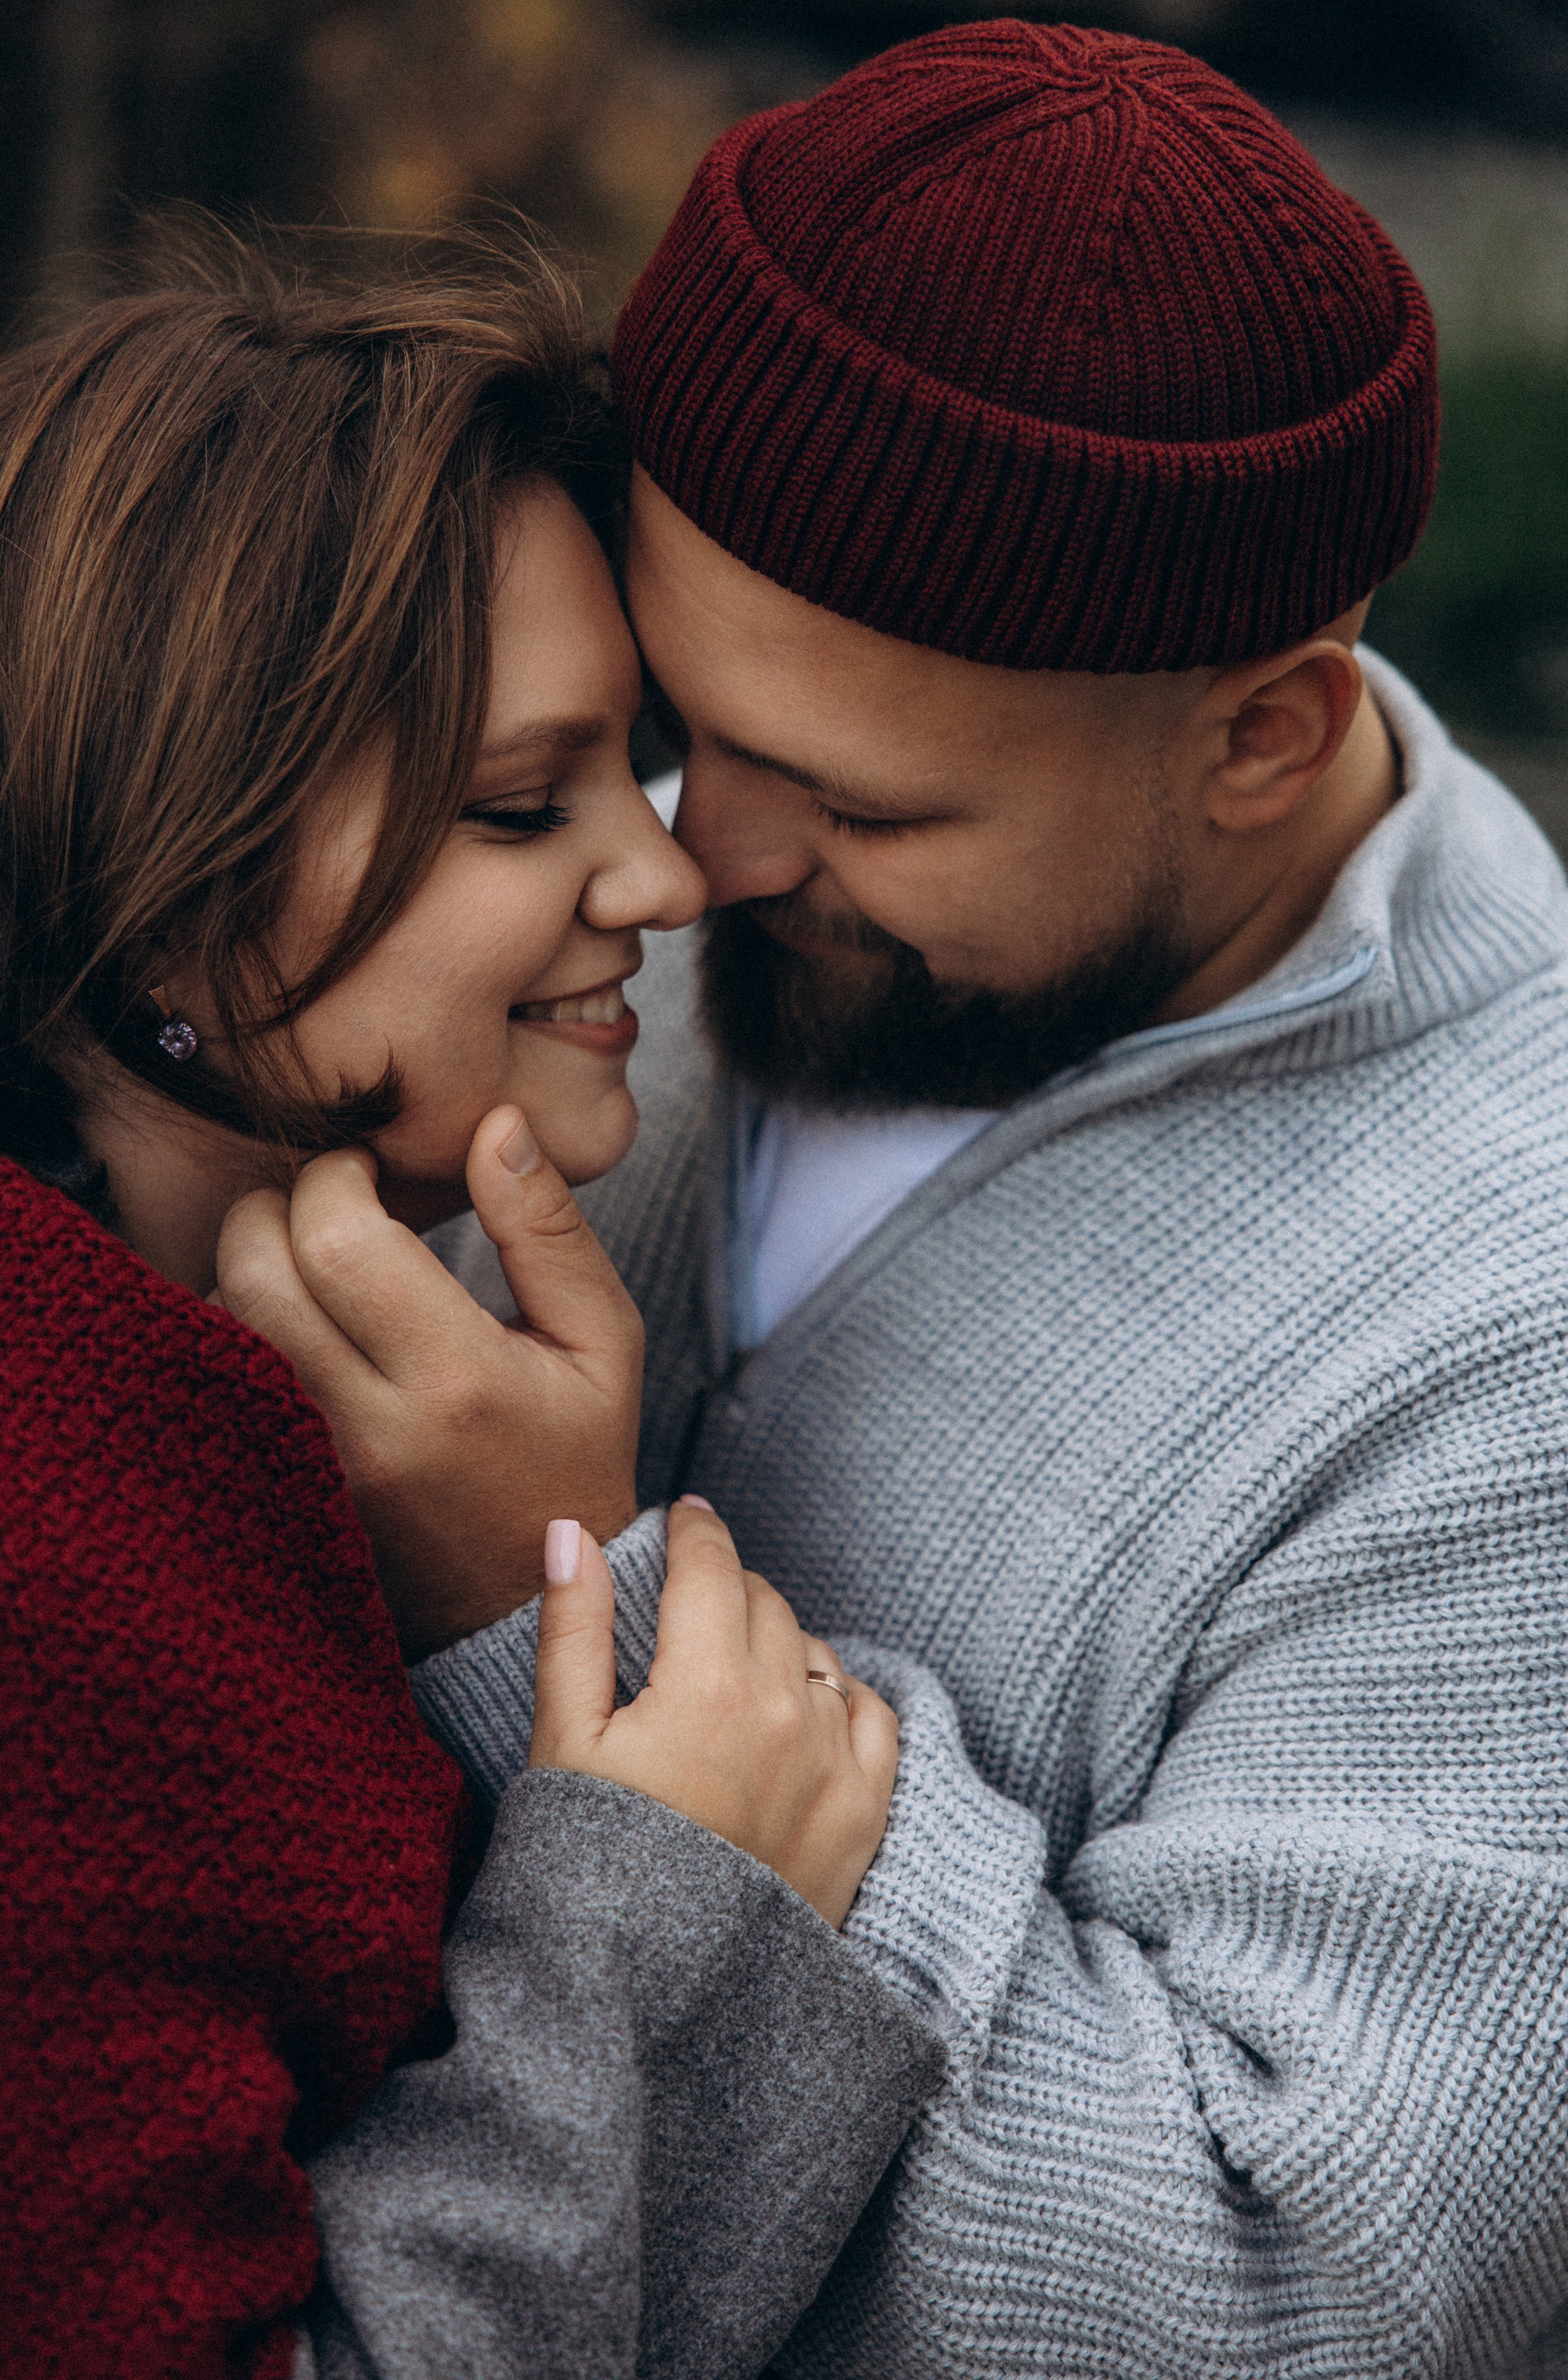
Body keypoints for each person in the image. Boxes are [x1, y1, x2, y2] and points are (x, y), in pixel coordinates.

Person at [239, 23, 1568, 2378]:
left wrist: (580, 1614)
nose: (692, 861)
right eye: (681, 718)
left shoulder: (1509, 1316)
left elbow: (1286, 2296)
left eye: (859, 801)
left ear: (1262, 729)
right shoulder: (580, 839)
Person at [0, 225, 947, 2379]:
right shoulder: (37, 1543)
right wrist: (656, 1910)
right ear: (165, 866)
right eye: (526, 802)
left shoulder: (180, 1378)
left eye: (644, 762)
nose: (669, 877)